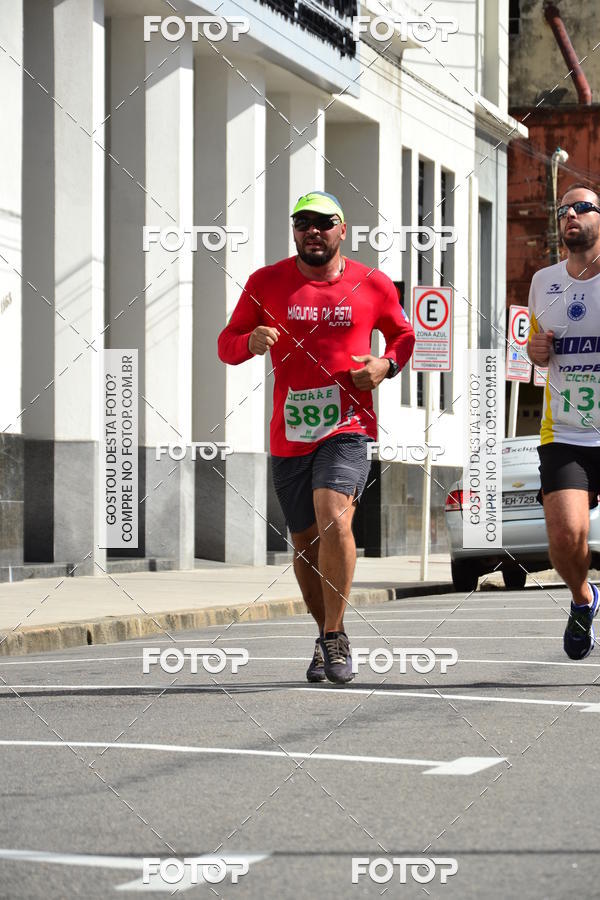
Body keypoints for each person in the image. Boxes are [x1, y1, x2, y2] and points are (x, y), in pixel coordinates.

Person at [218, 191, 415, 683]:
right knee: (305, 542)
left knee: (334, 514)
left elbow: (403, 335)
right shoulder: (267, 282)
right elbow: (226, 344)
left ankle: (334, 637)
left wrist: (385, 365)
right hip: (290, 433)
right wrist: (250, 341)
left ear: (341, 230)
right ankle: (327, 634)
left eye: (323, 223)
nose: (313, 231)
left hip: (348, 425)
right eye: (302, 222)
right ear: (294, 231)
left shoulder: (372, 284)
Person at [527, 183, 600, 659]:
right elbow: (537, 349)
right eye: (562, 210)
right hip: (567, 432)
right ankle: (583, 599)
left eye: (581, 207)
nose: (569, 215)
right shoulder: (543, 282)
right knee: (564, 537)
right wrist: (535, 352)